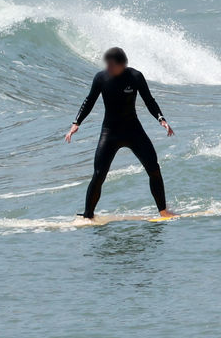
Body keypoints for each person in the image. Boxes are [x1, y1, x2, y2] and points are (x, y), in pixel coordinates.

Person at [65, 47, 176, 220]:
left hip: (133, 131)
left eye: (112, 65)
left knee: (154, 169)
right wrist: (76, 123)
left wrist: (161, 119)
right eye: (107, 64)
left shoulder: (135, 77)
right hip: (110, 132)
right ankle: (88, 215)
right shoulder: (101, 78)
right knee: (99, 174)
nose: (108, 68)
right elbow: (89, 101)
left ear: (122, 64)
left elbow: (149, 100)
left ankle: (163, 211)